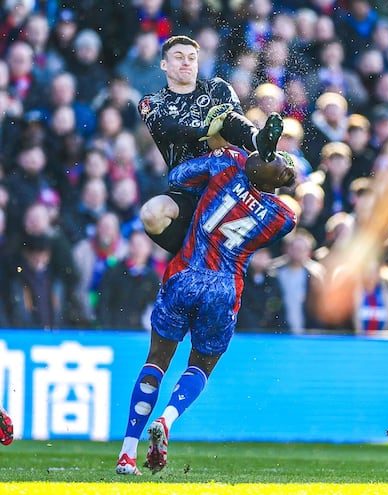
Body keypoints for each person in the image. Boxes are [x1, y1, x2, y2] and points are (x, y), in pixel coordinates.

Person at [115, 146, 296, 475]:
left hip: (185, 273)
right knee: (200, 367)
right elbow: (263, 184)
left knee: (156, 360)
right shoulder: (282, 217)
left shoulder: (227, 167)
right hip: (224, 288)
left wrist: (236, 152)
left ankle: (127, 453)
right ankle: (167, 419)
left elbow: (178, 177)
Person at [138, 34, 284, 255]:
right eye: (178, 57)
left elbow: (233, 125)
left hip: (228, 185)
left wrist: (218, 128)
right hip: (187, 190)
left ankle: (259, 141)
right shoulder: (152, 102)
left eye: (191, 57)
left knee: (225, 119)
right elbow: (169, 129)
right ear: (164, 64)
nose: (186, 62)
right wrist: (205, 129)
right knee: (151, 214)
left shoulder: (217, 87)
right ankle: (192, 252)